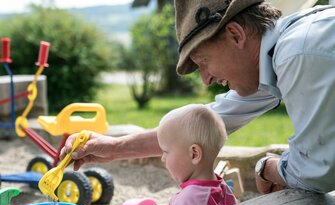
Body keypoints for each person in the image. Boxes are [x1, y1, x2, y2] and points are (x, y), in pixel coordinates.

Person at [61, 0, 335, 195]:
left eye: (203, 61)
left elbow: (316, 171)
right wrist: (115, 148)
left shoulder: (297, 54)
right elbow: (198, 126)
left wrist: (267, 167)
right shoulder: (278, 56)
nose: (206, 78)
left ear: (235, 35)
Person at [94, 104, 237, 205]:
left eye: (166, 152)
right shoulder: (221, 186)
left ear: (194, 154)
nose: (162, 158)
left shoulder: (191, 200)